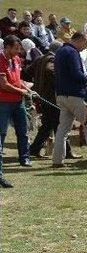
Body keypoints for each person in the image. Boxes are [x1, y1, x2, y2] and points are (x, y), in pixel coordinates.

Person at [52, 32, 87, 167]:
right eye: (86, 42)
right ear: (79, 40)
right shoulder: (72, 52)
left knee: (62, 130)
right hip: (76, 95)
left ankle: (57, 161)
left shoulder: (60, 51)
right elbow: (76, 73)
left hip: (61, 95)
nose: (86, 46)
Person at [0, 35, 33, 188]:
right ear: (6, 47)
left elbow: (18, 79)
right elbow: (4, 84)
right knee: (2, 134)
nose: (18, 51)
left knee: (23, 130)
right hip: (3, 103)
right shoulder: (0, 60)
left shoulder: (17, 60)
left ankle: (24, 158)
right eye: (15, 48)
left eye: (19, 49)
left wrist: (27, 89)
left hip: (18, 102)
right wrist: (21, 90)